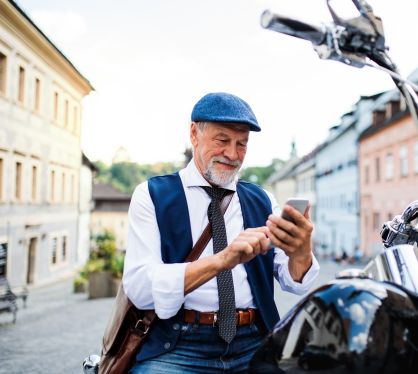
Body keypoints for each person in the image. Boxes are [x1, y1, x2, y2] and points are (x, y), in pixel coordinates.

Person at [123, 92, 320, 374]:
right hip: (179, 345)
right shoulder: (152, 195)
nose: (232, 154)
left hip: (255, 341)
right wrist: (222, 260)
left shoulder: (263, 200)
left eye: (242, 144)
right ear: (194, 134)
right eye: (222, 140)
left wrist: (301, 251)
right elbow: (140, 289)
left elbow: (295, 284)